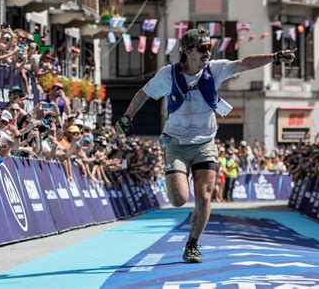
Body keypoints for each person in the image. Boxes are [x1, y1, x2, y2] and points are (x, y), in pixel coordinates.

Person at [115, 27, 296, 263]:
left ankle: (192, 244)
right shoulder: (168, 74)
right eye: (202, 49)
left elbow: (244, 63)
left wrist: (274, 57)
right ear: (187, 51)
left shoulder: (215, 69)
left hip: (205, 143)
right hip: (176, 143)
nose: (207, 53)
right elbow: (143, 94)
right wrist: (127, 117)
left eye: (210, 48)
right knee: (179, 199)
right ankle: (175, 176)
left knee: (204, 196)